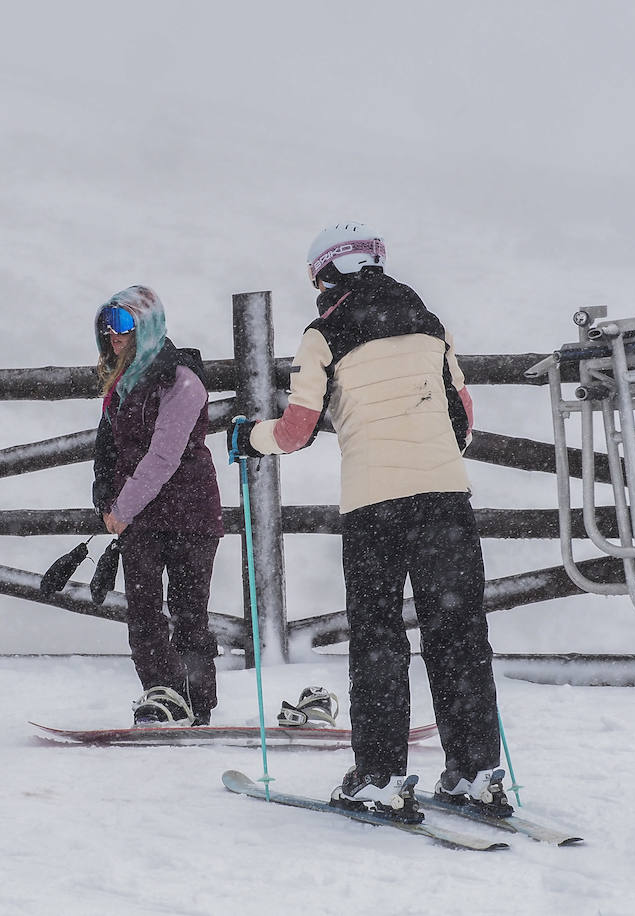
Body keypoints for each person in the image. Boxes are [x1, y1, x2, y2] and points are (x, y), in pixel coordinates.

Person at [230, 224, 510, 821]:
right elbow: (464, 420)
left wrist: (249, 440)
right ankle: (477, 771)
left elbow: (295, 431)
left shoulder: (322, 334)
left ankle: (380, 777)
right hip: (446, 500)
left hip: (374, 506)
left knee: (379, 637)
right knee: (458, 632)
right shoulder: (430, 324)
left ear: (324, 275)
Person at [92, 285, 224, 727]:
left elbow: (164, 456)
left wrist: (122, 507)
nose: (114, 333)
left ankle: (195, 703)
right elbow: (108, 448)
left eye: (125, 323)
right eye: (108, 322)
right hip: (142, 519)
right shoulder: (121, 385)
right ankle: (162, 696)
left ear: (147, 327)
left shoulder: (182, 383)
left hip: (189, 513)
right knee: (143, 615)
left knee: (189, 613)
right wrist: (105, 497)